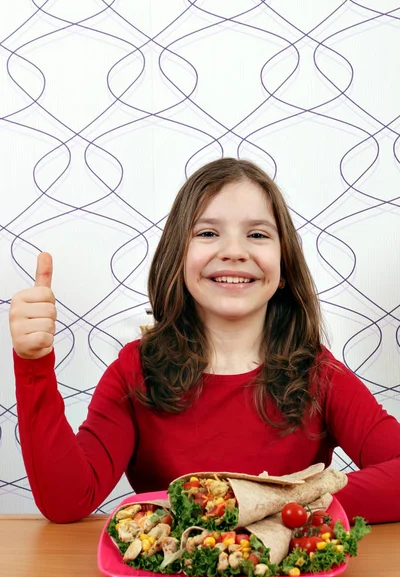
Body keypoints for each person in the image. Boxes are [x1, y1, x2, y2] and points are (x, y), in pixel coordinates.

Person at [9, 158, 400, 525]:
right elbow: (66, 501)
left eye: (258, 234)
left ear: (283, 269)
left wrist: (287, 505)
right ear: (178, 258)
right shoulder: (136, 372)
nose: (233, 251)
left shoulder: (319, 374)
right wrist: (33, 364)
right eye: (208, 233)